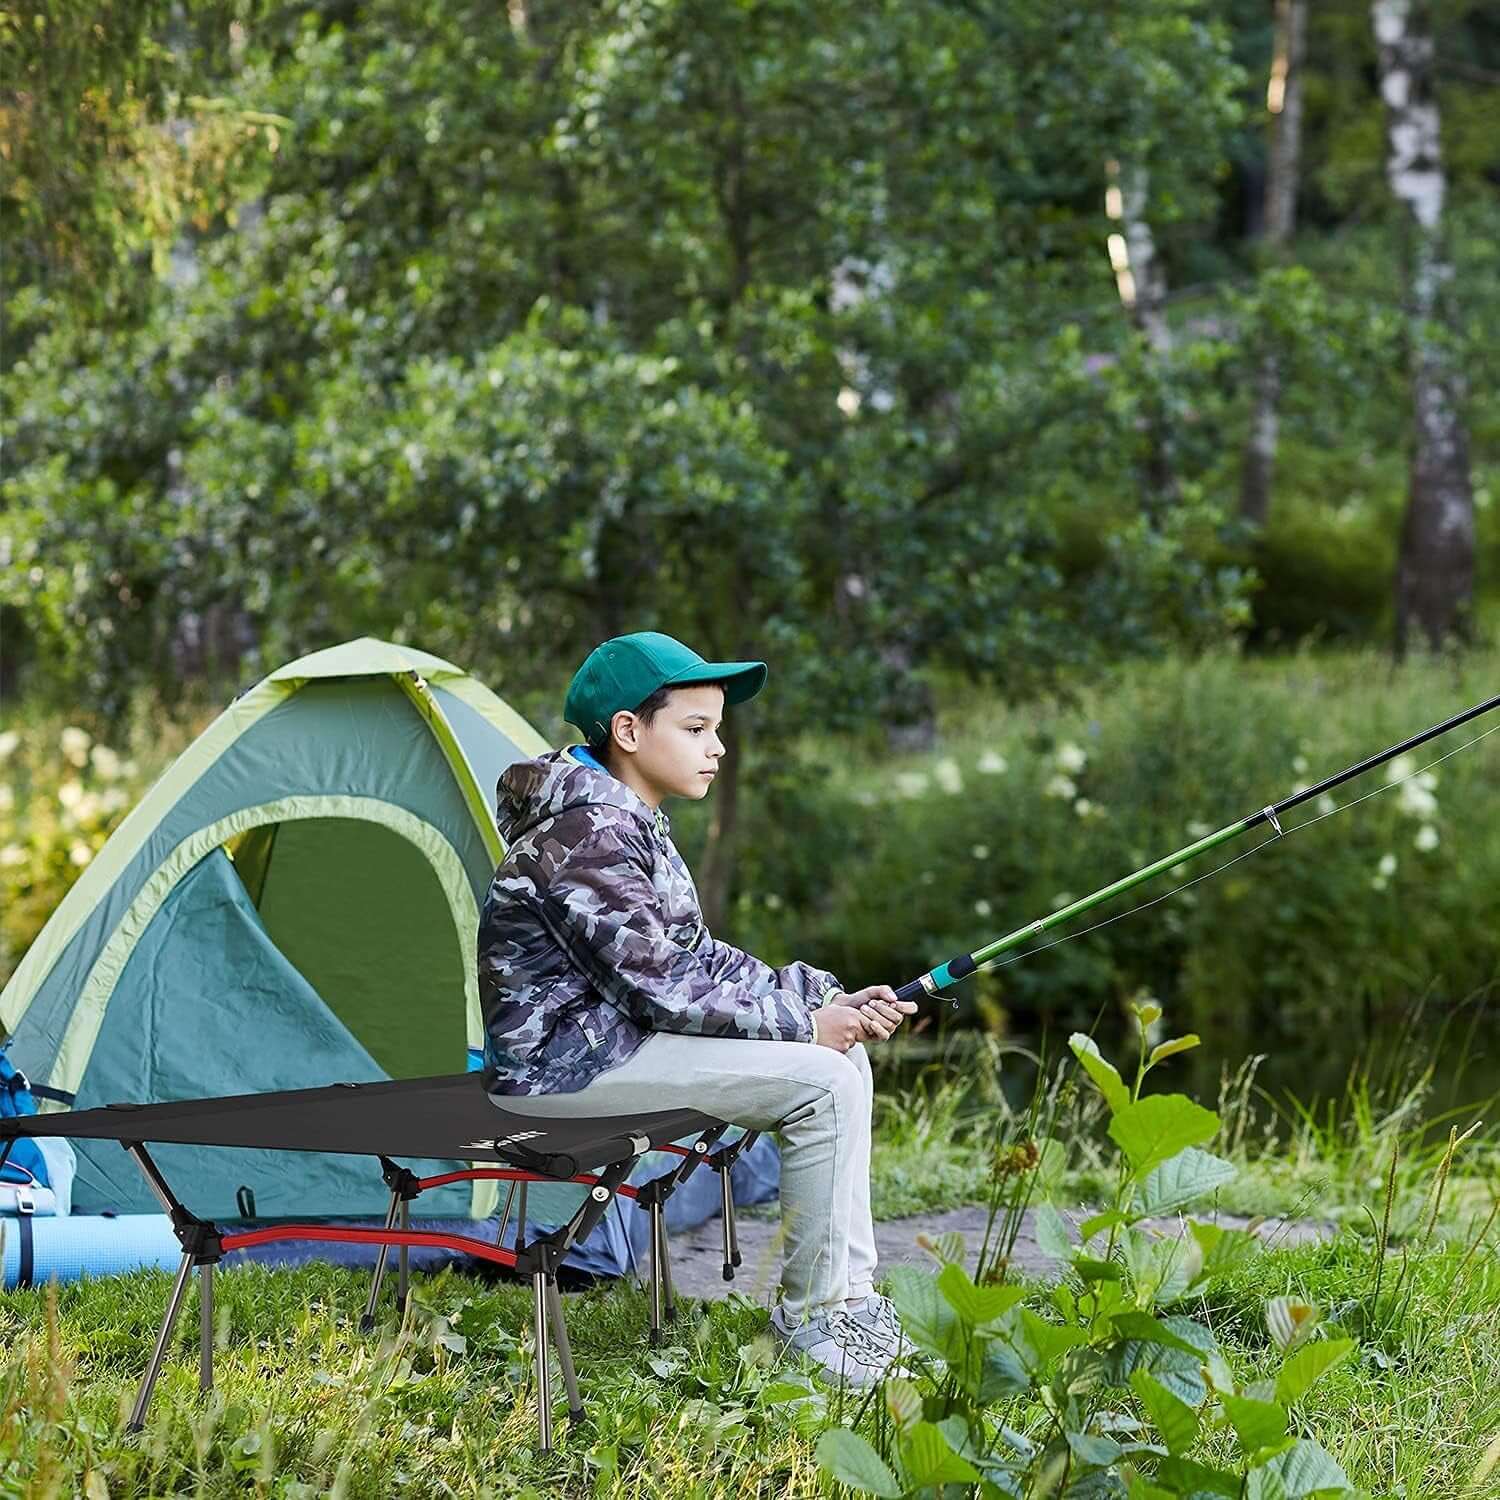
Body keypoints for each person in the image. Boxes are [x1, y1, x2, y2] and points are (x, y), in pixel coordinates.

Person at [477, 631, 918, 1385]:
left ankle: (850, 1302)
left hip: (616, 1043)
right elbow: (660, 987)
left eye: (718, 730)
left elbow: (695, 958)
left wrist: (818, 995)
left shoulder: (630, 817)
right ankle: (816, 1326)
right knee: (824, 1078)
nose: (717, 748)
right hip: (565, 1066)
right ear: (628, 731)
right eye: (696, 728)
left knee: (841, 1059)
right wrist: (805, 1029)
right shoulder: (586, 832)